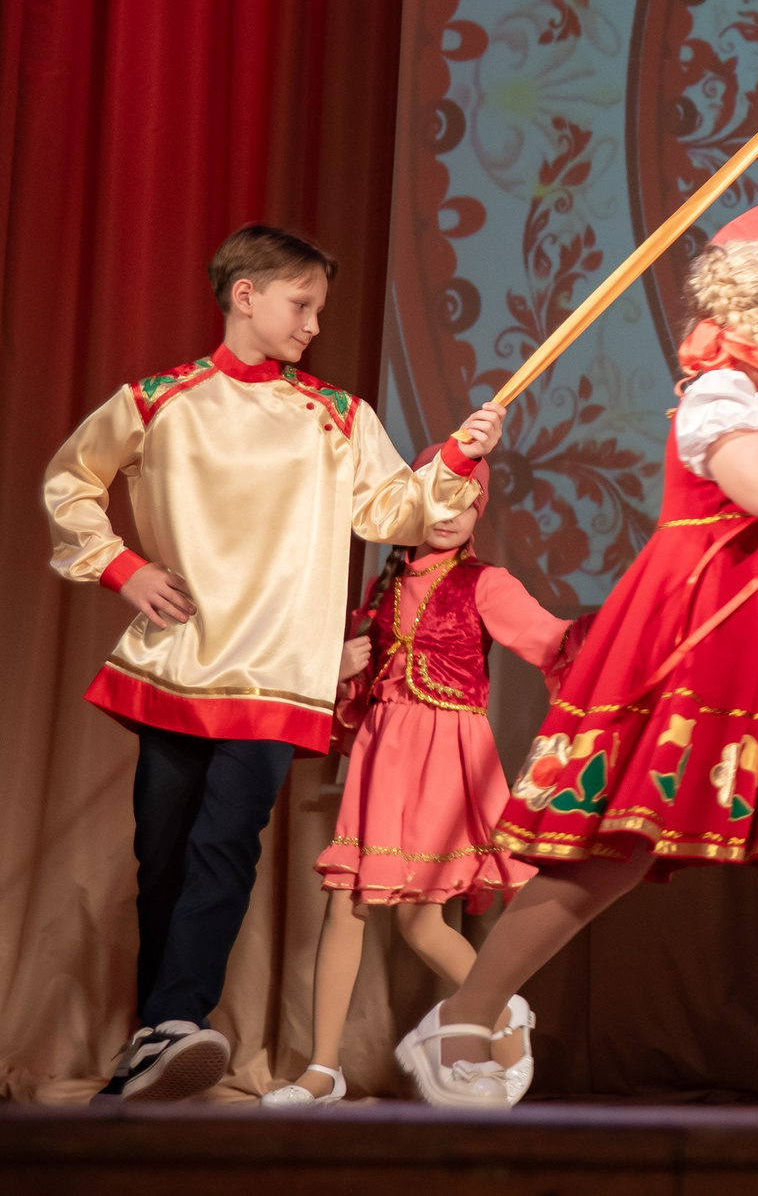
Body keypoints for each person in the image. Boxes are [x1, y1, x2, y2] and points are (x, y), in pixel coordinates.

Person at [395, 193, 758, 1116]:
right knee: (615, 846)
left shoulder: (751, 403)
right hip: (700, 645)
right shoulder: (717, 397)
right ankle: (465, 1016)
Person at [44, 224, 503, 1103]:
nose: (314, 325)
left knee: (224, 845)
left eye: (320, 309)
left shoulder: (338, 416)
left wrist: (457, 453)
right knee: (163, 852)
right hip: (178, 660)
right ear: (245, 295)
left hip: (278, 673)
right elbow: (71, 479)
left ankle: (175, 1017)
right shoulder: (158, 400)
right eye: (302, 305)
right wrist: (123, 566)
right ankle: (155, 1035)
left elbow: (395, 509)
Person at [262, 456, 589, 1109]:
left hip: (447, 755)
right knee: (350, 902)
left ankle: (503, 1014)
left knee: (419, 920)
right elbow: (354, 690)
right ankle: (323, 1069)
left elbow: (553, 640)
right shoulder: (381, 588)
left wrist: (624, 632)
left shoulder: (485, 582)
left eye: (466, 501)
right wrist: (338, 667)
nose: (450, 513)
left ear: (479, 515)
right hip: (383, 754)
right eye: (438, 497)